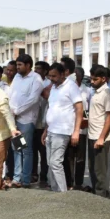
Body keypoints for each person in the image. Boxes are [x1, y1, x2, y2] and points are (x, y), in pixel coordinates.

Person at [41, 63, 83, 192]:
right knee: (50, 163)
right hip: (51, 131)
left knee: (55, 163)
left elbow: (79, 109)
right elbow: (53, 109)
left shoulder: (71, 87)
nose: (52, 78)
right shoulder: (54, 88)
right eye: (50, 76)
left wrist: (76, 132)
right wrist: (46, 130)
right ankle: (55, 192)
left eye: (54, 76)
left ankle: (63, 193)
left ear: (63, 74)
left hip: (63, 131)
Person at [9, 54, 43, 188]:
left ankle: (26, 180)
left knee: (26, 151)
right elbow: (10, 95)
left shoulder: (36, 79)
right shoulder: (17, 77)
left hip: (26, 120)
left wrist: (16, 111)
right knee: (17, 148)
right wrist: (10, 112)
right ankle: (17, 178)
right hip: (14, 120)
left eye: (20, 65)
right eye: (17, 65)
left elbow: (33, 100)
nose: (17, 67)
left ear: (28, 65)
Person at [87, 65, 110, 197]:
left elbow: (109, 117)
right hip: (91, 135)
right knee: (92, 168)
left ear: (103, 79)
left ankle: (101, 198)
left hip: (100, 138)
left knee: (100, 171)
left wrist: (101, 138)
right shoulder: (96, 92)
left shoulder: (107, 93)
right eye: (91, 79)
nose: (92, 82)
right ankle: (95, 196)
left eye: (95, 79)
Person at [63, 66, 89, 191]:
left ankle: (78, 183)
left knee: (80, 158)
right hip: (67, 129)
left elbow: (87, 112)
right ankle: (69, 182)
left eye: (77, 76)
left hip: (81, 130)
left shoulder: (86, 91)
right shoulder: (67, 89)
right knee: (68, 157)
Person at [0, 65, 14, 182]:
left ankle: (5, 175)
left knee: (3, 151)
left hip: (4, 124)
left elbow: (8, 107)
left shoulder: (6, 88)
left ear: (1, 76)